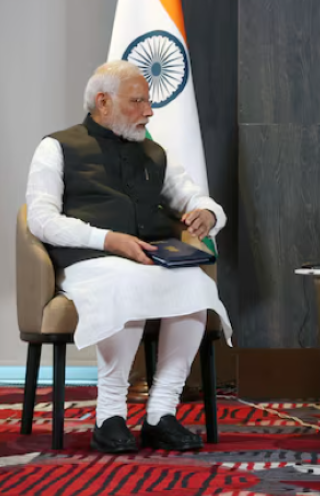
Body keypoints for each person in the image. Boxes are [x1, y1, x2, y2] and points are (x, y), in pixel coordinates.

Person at [25, 60, 233, 453]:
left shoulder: (154, 152)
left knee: (194, 284)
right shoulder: (56, 146)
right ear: (103, 102)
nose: (149, 111)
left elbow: (193, 196)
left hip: (151, 259)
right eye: (138, 101)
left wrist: (207, 213)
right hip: (89, 262)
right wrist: (108, 240)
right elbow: (40, 219)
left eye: (148, 101)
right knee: (126, 280)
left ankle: (161, 413)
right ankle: (110, 416)